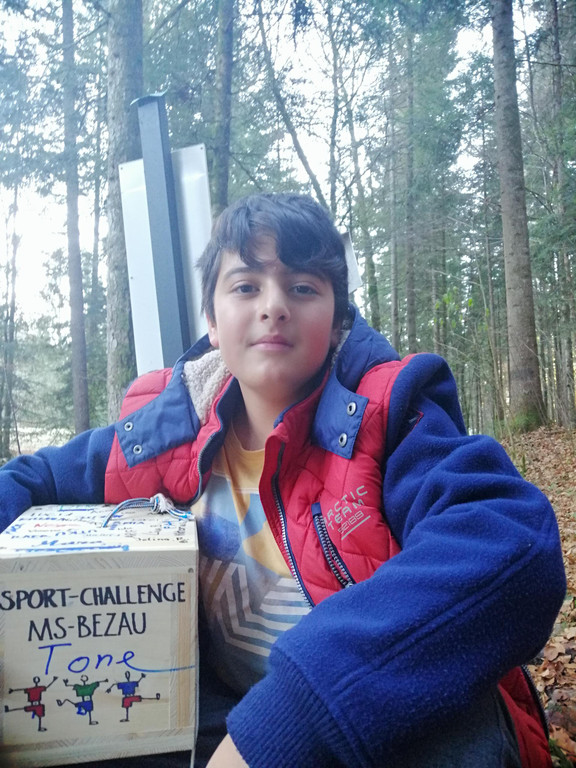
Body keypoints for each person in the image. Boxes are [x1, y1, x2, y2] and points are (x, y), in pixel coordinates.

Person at [0, 193, 566, 768]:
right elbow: (32, 478)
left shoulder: (387, 415)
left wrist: (295, 713)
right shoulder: (164, 429)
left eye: (302, 287)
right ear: (212, 321)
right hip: (224, 710)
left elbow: (512, 542)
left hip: (371, 713)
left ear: (338, 319)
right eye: (246, 286)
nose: (274, 306)